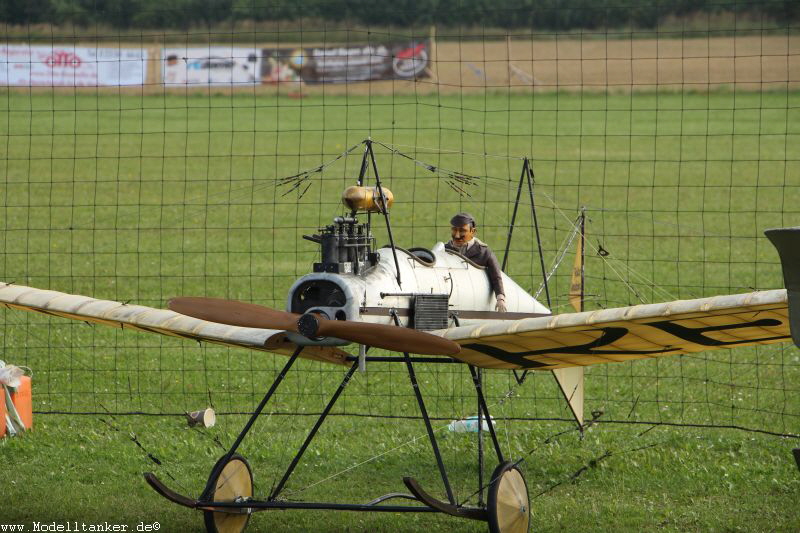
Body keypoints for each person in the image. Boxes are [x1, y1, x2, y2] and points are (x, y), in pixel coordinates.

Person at [445, 213, 507, 312]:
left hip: (476, 301)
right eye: (454, 230)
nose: (457, 235)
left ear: (472, 232)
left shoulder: (484, 252)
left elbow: (496, 277)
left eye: (462, 231)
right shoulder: (445, 250)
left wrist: (500, 299)